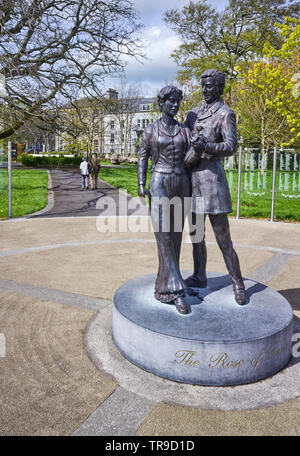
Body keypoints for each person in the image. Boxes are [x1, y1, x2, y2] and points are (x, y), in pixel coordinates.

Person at [184, 69, 246, 305]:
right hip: (193, 182)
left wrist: (207, 146)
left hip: (213, 182)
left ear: (219, 87)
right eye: (203, 85)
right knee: (196, 236)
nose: (205, 90)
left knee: (224, 240)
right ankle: (200, 276)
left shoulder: (225, 114)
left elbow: (231, 146)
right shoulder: (193, 114)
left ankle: (238, 284)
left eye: (210, 86)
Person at [138, 86, 191, 314]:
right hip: (159, 181)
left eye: (177, 101)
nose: (175, 105)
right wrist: (141, 183)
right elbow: (142, 158)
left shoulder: (185, 131)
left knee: (176, 236)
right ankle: (176, 291)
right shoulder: (150, 130)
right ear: (161, 103)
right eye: (170, 101)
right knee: (163, 235)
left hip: (181, 183)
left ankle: (164, 287)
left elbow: (192, 157)